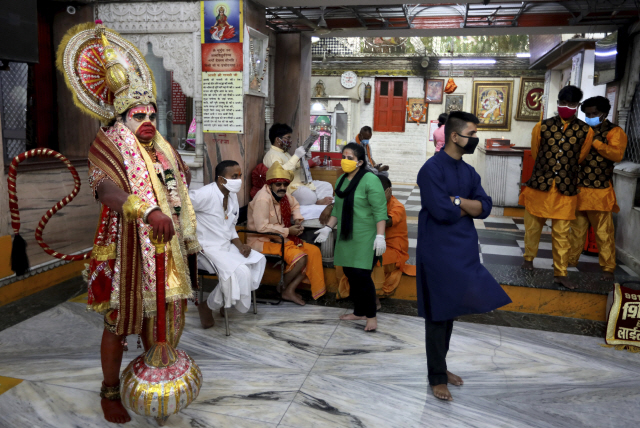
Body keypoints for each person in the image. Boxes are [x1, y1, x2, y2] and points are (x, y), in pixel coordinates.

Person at [59, 22, 201, 423]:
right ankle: (109, 391)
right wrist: (146, 209)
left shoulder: (161, 149)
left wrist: (178, 180)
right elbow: (106, 192)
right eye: (139, 114)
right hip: (127, 244)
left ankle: (155, 373)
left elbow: (177, 187)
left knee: (166, 313)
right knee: (121, 319)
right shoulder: (106, 144)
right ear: (121, 117)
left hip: (166, 245)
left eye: (152, 113)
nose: (148, 120)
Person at [416, 111, 512, 401]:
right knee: (437, 313)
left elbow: (484, 207)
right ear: (455, 136)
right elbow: (441, 212)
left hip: (463, 248)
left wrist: (456, 200)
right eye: (471, 134)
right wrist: (461, 206)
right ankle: (436, 377)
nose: (475, 139)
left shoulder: (469, 172)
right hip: (437, 249)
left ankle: (441, 368)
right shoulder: (431, 169)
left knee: (451, 311)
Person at [519, 85, 594, 290]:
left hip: (565, 189)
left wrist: (562, 169)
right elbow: (535, 152)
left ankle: (560, 273)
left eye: (571, 104)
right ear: (558, 102)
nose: (566, 107)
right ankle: (528, 259)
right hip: (540, 187)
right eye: (562, 103)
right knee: (533, 226)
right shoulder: (542, 127)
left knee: (562, 233)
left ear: (577, 106)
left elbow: (580, 157)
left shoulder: (586, 131)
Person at [314, 143, 388, 332]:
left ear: (360, 162)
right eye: (343, 157)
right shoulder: (341, 181)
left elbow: (380, 210)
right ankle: (359, 311)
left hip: (366, 234)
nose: (345, 161)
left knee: (362, 275)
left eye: (350, 158)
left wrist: (380, 236)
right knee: (350, 273)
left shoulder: (370, 180)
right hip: (347, 234)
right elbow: (337, 209)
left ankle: (371, 316)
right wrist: (328, 228)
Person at [190, 160, 266, 328]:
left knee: (257, 261)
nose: (238, 180)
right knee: (238, 273)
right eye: (234, 176)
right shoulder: (205, 194)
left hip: (226, 246)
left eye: (239, 176)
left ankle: (228, 301)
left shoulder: (231, 195)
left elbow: (230, 226)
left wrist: (240, 245)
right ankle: (207, 306)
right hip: (207, 249)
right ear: (221, 179)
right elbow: (179, 206)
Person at [247, 162, 326, 305]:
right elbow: (261, 228)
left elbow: (295, 204)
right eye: (278, 185)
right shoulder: (263, 198)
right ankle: (282, 288)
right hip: (262, 241)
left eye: (285, 184)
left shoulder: (283, 195)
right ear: (270, 185)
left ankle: (289, 290)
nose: (282, 187)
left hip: (280, 238)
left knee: (313, 251)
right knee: (301, 258)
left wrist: (297, 220)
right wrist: (288, 231)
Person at [568, 96, 628, 281]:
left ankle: (608, 268)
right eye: (587, 114)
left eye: (594, 114)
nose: (590, 117)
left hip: (600, 192)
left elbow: (617, 154)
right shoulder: (581, 129)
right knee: (576, 231)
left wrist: (594, 141)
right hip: (579, 189)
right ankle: (569, 262)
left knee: (603, 233)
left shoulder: (614, 131)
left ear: (604, 113)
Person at [336, 175, 416, 302]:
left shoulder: (397, 207)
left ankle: (374, 299)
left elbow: (383, 221)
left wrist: (381, 203)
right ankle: (355, 292)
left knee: (372, 258)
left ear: (388, 192)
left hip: (394, 251)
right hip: (371, 244)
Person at [263, 123, 334, 207]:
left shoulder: (285, 153)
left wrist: (307, 159)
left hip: (302, 183)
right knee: (310, 196)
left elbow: (295, 166)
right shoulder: (272, 155)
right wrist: (296, 156)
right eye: (288, 138)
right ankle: (317, 201)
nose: (290, 141)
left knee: (327, 186)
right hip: (291, 188)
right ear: (278, 140)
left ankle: (318, 201)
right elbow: (281, 174)